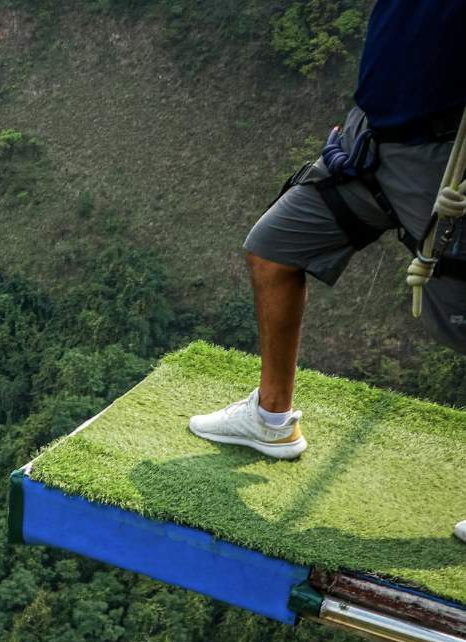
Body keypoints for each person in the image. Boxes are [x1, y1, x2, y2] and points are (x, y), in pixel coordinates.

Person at [187, 0, 466, 544]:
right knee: (272, 251)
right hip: (369, 141)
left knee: (460, 324)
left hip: (443, 158)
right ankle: (272, 421)